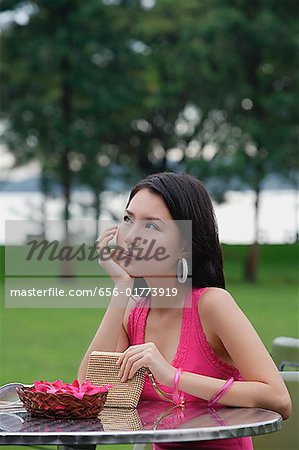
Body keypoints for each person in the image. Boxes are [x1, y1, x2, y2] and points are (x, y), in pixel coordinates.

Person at [78, 171, 291, 450]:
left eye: (151, 226)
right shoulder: (132, 310)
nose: (129, 237)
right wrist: (121, 286)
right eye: (128, 219)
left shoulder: (213, 305)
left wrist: (172, 377)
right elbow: (88, 391)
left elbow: (278, 398)